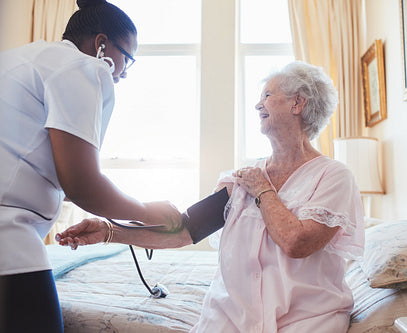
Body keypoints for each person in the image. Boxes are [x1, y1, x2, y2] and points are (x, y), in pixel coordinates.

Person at [56, 61, 365, 332]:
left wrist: (263, 190)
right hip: (232, 318)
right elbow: (184, 231)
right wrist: (109, 232)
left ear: (298, 103)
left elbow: (297, 243)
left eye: (267, 96)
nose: (258, 105)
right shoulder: (240, 180)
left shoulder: (333, 177)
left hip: (306, 319)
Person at [0, 1, 181, 332]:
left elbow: (34, 165)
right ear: (101, 44)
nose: (124, 72)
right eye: (128, 58)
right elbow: (81, 184)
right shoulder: (82, 67)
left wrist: (106, 224)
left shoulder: (22, 59)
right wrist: (148, 211)